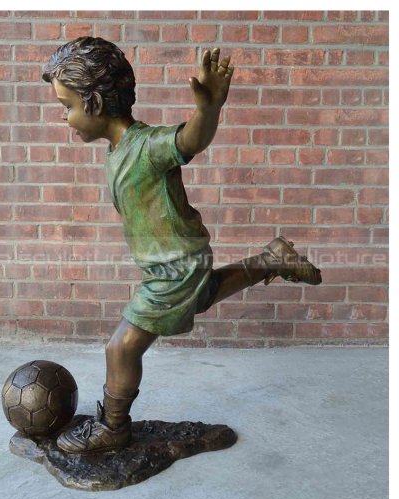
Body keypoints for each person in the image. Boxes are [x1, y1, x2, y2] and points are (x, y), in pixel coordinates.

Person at [42, 38, 321, 454]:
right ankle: (271, 260)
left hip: (175, 266)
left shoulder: (146, 146)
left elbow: (190, 140)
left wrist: (208, 109)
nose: (65, 118)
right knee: (203, 294)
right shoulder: (118, 151)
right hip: (170, 264)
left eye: (67, 106)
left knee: (121, 348)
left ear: (95, 103)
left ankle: (113, 428)